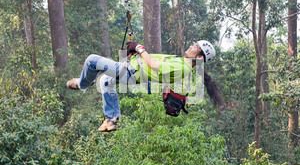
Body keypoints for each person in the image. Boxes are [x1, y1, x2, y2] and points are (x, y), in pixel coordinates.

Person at [66, 40, 223, 132]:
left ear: (200, 56)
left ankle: (82, 84)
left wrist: (139, 48)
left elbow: (153, 64)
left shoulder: (183, 67)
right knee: (105, 81)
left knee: (92, 60)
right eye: (193, 44)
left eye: (195, 47)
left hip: (131, 73)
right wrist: (135, 52)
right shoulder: (181, 62)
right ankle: (111, 119)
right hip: (132, 69)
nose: (191, 47)